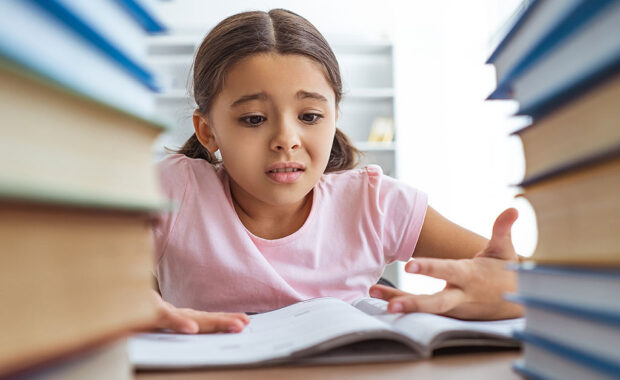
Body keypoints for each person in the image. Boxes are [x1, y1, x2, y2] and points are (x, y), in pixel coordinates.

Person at [151, 9, 523, 335]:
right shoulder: (174, 191)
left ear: (334, 118)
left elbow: (524, 285)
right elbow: (95, 278)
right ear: (207, 131)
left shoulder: (373, 203)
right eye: (253, 119)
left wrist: (508, 291)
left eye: (310, 116)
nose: (286, 139)